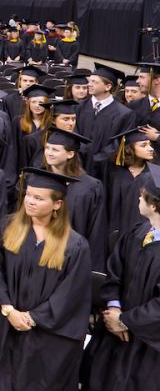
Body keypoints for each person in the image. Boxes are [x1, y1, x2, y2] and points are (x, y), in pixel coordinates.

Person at [0, 168, 92, 391]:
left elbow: (71, 294)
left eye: (38, 198)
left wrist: (32, 318)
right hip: (9, 322)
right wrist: (8, 310)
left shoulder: (75, 245)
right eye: (28, 195)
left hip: (46, 334)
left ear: (57, 205)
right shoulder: (8, 227)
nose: (30, 201)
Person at [82, 164, 160, 391]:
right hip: (113, 334)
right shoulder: (138, 232)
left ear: (154, 204)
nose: (137, 199)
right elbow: (114, 272)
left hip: (147, 344)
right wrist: (114, 309)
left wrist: (125, 320)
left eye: (141, 196)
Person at [42, 127, 108, 271]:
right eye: (47, 148)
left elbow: (96, 230)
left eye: (55, 149)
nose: (49, 153)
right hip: (41, 255)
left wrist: (92, 268)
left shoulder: (90, 186)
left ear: (70, 154)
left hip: (74, 257)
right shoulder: (39, 181)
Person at [106, 128, 157, 238]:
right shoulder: (115, 174)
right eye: (143, 145)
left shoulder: (155, 174)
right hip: (118, 233)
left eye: (150, 144)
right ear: (130, 149)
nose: (150, 149)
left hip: (147, 234)